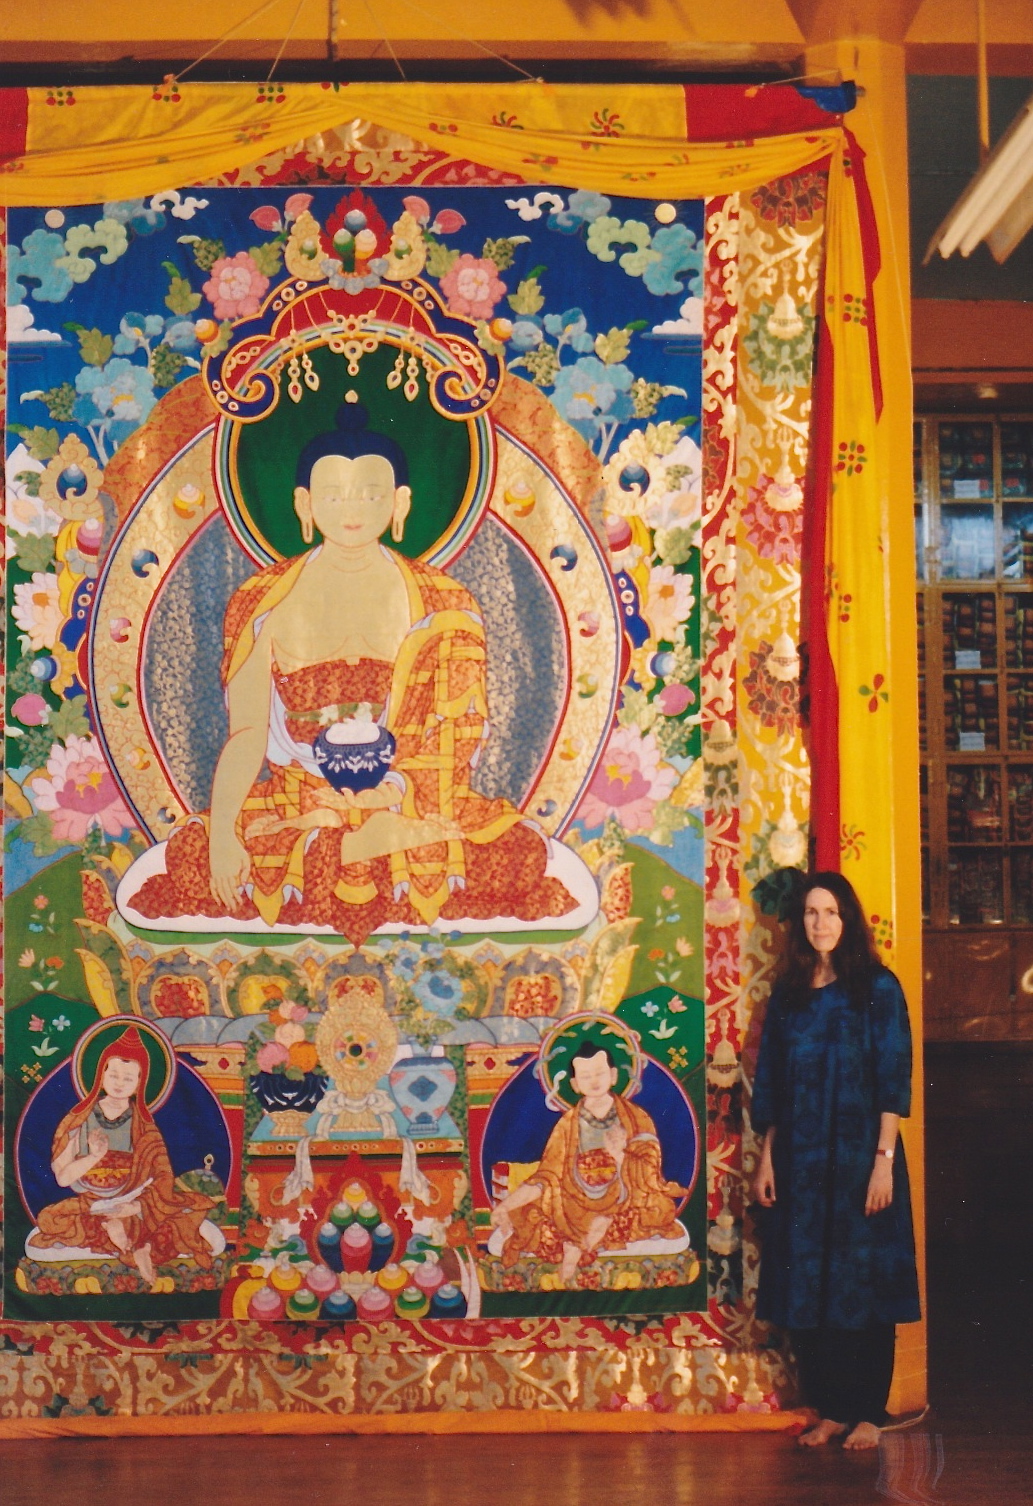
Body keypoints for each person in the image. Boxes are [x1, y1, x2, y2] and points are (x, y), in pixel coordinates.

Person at [130, 400, 582, 947]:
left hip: (405, 796)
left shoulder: (443, 601)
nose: (352, 509)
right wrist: (224, 834)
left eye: (370, 494)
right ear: (304, 503)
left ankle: (365, 842)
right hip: (303, 796)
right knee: (196, 855)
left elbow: (451, 737)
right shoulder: (260, 601)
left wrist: (384, 796)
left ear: (400, 502)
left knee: (517, 855)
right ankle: (362, 846)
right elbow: (248, 734)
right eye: (334, 494)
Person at [750, 871, 920, 1450]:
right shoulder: (790, 995)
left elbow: (893, 1080)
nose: (820, 923)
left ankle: (868, 1412)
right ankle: (830, 1408)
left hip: (859, 1162)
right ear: (801, 923)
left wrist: (882, 1162)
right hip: (800, 1163)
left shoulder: (877, 986)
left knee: (863, 1284)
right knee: (809, 1285)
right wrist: (767, 1159)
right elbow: (770, 1083)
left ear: (848, 920)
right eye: (811, 913)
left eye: (831, 912)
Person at [491, 1041, 689, 1284]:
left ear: (614, 1075)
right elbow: (547, 1178)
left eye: (599, 1073)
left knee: (660, 1208)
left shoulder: (636, 1117)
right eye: (585, 1076)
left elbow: (649, 1170)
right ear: (574, 1084)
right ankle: (586, 1238)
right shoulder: (567, 1125)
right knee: (529, 1215)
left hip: (623, 1197)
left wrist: (620, 1156)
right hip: (575, 1201)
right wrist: (505, 1206)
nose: (594, 1080)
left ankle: (588, 1237)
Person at [34, 1025, 219, 1285]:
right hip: (91, 1202)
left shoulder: (143, 1125)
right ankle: (121, 1233)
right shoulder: (80, 1119)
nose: (120, 1084)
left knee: (184, 1212)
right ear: (101, 1074)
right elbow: (63, 1179)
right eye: (114, 1075)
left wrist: (138, 1206)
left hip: (131, 1199)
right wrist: (93, 1157)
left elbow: (163, 1176)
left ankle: (136, 1243)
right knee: (50, 1219)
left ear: (139, 1084)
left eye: (128, 1078)